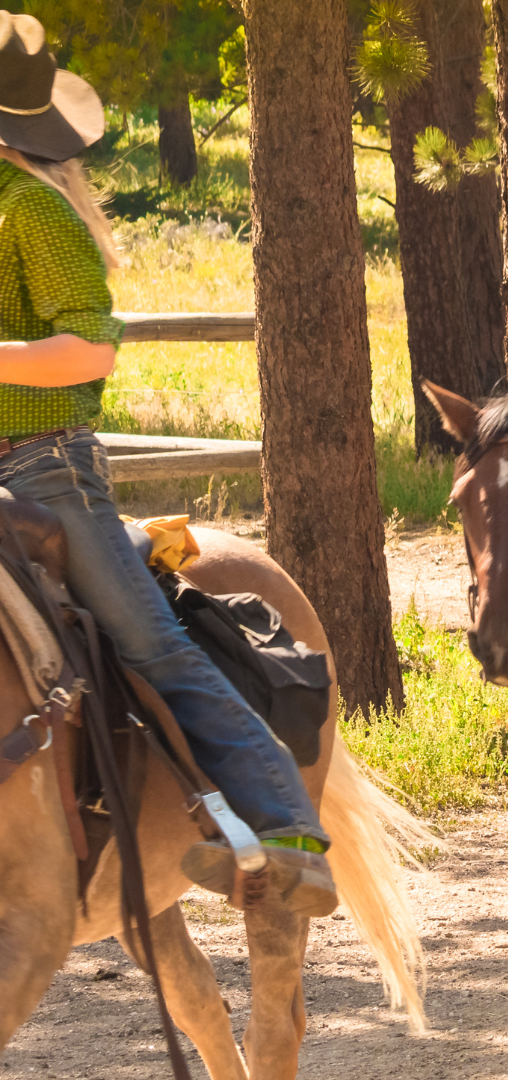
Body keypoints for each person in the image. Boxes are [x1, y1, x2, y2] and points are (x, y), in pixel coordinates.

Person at [0, 15, 335, 915]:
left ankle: (289, 832)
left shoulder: (30, 208)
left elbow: (89, 353)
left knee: (157, 647)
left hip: (44, 470)